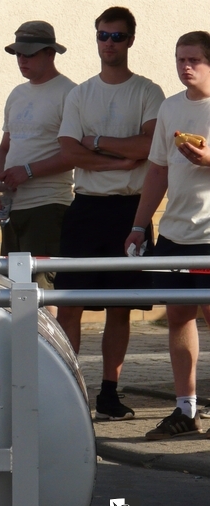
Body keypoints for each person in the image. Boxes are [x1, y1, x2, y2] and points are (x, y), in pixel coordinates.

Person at [55, 6, 165, 421]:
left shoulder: (148, 91)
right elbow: (69, 151)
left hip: (130, 210)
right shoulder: (80, 93)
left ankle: (109, 393)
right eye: (103, 35)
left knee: (121, 306)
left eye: (117, 36)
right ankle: (69, 391)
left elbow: (149, 147)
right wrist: (121, 158)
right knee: (69, 304)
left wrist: (98, 142)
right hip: (85, 207)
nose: (109, 43)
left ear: (130, 40)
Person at [124, 31, 210, 440]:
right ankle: (185, 408)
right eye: (179, 59)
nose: (185, 67)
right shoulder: (170, 107)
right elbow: (157, 168)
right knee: (178, 316)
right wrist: (139, 225)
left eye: (193, 60)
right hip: (176, 232)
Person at [0, 21, 75, 298]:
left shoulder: (70, 93)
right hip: (12, 206)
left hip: (49, 205)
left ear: (50, 53)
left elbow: (75, 154)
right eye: (18, 54)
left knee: (42, 291)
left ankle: (45, 331)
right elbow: (5, 147)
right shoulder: (17, 93)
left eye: (29, 54)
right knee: (13, 289)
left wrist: (28, 171)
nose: (22, 60)